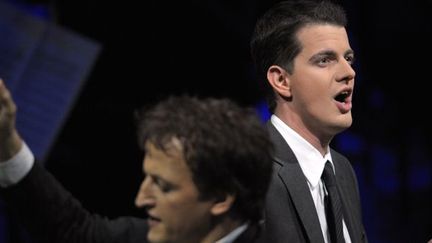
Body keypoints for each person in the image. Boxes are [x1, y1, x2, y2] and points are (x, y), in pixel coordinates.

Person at [0, 78, 274, 243]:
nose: (141, 200)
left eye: (163, 186)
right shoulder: (152, 236)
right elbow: (72, 230)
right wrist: (7, 143)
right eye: (147, 178)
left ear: (220, 198)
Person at [249, 1, 368, 243]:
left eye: (348, 58)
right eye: (325, 60)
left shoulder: (343, 170)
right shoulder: (251, 172)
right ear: (281, 80)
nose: (349, 72)